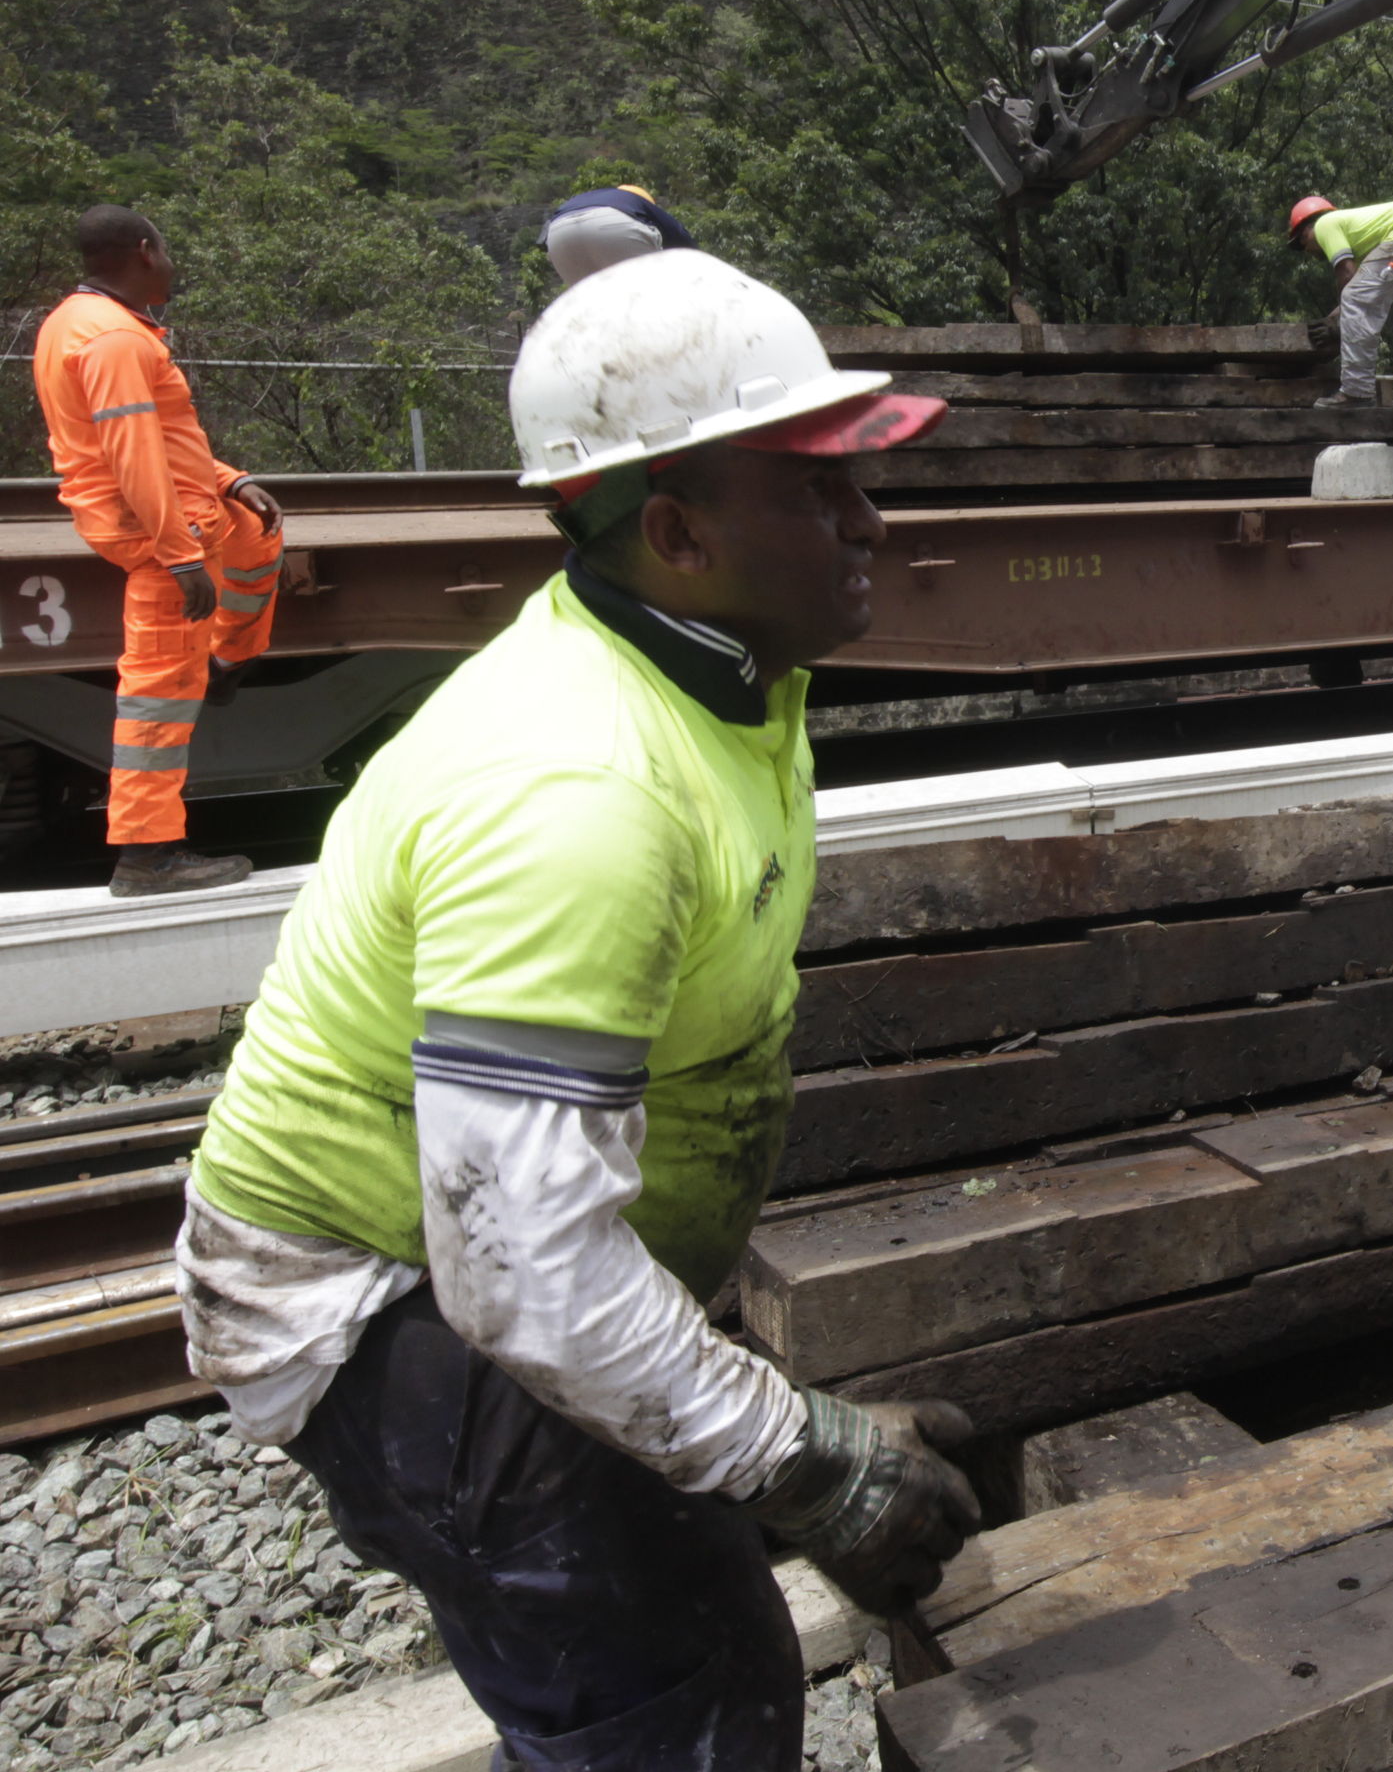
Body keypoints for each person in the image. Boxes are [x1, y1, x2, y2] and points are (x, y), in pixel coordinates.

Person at [174, 251, 976, 1768]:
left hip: (486, 1249)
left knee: (699, 1621)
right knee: (678, 1698)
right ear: (676, 531)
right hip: (383, 1296)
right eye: (820, 491)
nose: (874, 520)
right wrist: (810, 1462)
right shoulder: (575, 791)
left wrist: (749, 1430)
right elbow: (523, 1275)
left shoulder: (727, 669)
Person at [29, 205, 283, 895]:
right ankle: (148, 855)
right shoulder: (113, 341)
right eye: (167, 251)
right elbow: (131, 452)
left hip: (179, 509)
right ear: (145, 252)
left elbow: (161, 436)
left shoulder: (79, 323)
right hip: (159, 529)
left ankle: (227, 660)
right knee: (159, 696)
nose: (172, 264)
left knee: (259, 533)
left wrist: (230, 479)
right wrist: (177, 555)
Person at [1288, 194, 1393, 410]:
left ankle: (1356, 393)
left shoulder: (1324, 225)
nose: (1307, 251)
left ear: (1305, 233)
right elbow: (1361, 289)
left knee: (1355, 299)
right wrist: (1337, 318)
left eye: (1302, 245)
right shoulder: (1357, 234)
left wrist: (1339, 325)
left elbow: (1348, 281)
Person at [544, 181, 696, 285]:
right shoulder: (638, 202)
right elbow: (683, 241)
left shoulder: (594, 197)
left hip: (558, 230)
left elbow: (541, 242)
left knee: (590, 305)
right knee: (650, 297)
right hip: (613, 222)